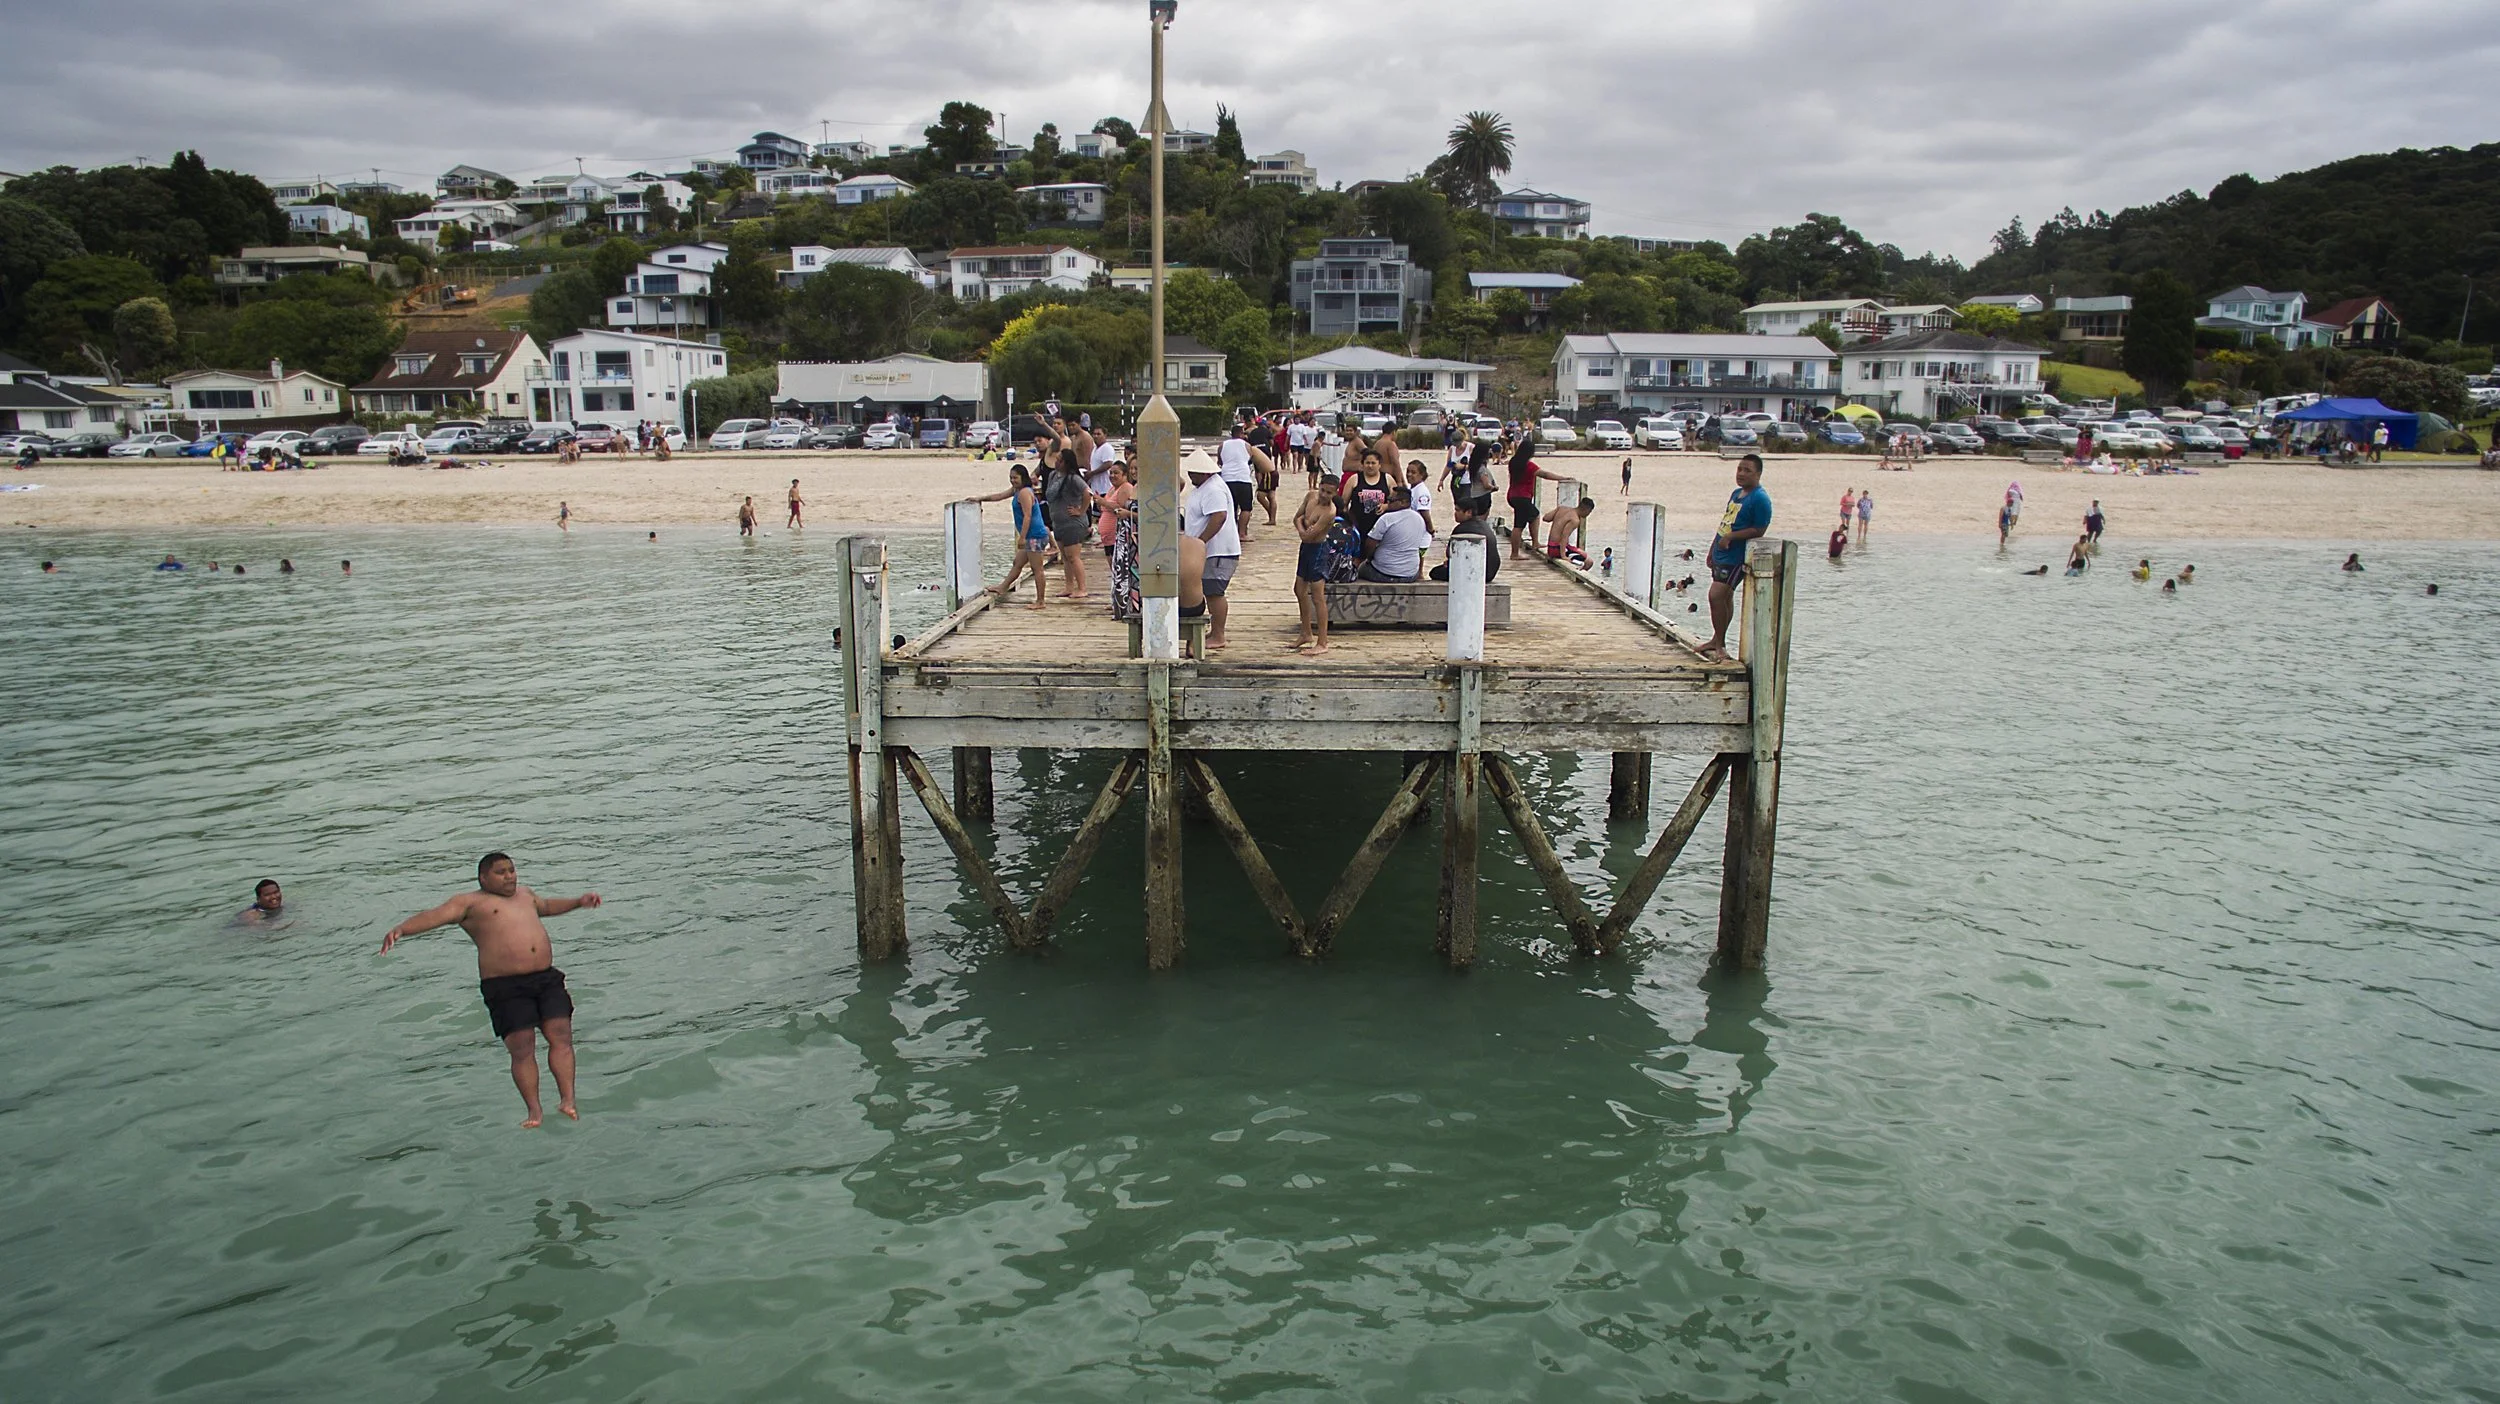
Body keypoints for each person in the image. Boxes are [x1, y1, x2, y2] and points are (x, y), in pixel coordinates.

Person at [380, 852, 603, 1129]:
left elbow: (546, 906)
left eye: (511, 870)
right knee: (522, 1047)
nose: (509, 876)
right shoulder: (470, 903)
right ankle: (535, 1110)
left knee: (561, 1035)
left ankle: (567, 1099)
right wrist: (402, 929)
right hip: (505, 985)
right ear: (483, 877)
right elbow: (435, 917)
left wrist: (578, 902)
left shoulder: (525, 895)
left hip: (545, 978)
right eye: (501, 872)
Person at [1699, 454, 1772, 662]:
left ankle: (1720, 643)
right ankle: (1717, 638)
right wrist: (1714, 547)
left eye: (1747, 470)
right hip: (1721, 552)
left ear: (1758, 474)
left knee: (1716, 595)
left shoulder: (1760, 498)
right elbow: (1726, 522)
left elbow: (1759, 529)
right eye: (1739, 469)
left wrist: (1732, 537)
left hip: (1736, 556)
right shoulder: (1736, 494)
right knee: (1725, 597)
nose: (1741, 474)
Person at [1182, 450, 1240, 649]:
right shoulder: (1202, 488)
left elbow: (1219, 517)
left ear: (1205, 473)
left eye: (1194, 473)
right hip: (1207, 550)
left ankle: (1218, 635)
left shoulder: (1213, 489)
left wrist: (1200, 542)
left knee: (1215, 591)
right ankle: (1214, 631)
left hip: (1218, 550)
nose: (1190, 477)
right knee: (1208, 590)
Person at [977, 465, 1050, 610]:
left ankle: (1041, 601)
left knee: (1037, 569)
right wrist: (979, 499)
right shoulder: (1016, 491)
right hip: (1031, 535)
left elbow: (1028, 516)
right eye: (1011, 477)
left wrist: (1021, 538)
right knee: (1017, 563)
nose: (1013, 480)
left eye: (1015, 477)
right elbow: (998, 496)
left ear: (1023, 478)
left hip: (1034, 535)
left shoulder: (1024, 493)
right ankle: (1002, 587)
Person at [1291, 477, 1335, 654]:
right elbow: (1296, 518)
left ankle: (1322, 642)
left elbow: (1308, 535)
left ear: (1335, 493)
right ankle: (1306, 632)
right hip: (1306, 549)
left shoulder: (1330, 512)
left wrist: (1303, 524)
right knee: (1298, 589)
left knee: (1318, 596)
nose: (1324, 495)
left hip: (1318, 549)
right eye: (1322, 490)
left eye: (1329, 492)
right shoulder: (1310, 497)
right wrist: (1303, 524)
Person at [1360, 485, 1431, 582]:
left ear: (1403, 502)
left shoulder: (1387, 518)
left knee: (1361, 568)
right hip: (1410, 574)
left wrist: (1368, 558)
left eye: (1391, 500)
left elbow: (1370, 544)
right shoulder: (1419, 519)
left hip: (1383, 573)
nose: (1387, 503)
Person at [1428, 495, 1502, 585]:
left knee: (1434, 572)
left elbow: (1449, 553)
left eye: (1458, 510)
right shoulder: (1484, 524)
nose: (1455, 514)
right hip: (1491, 572)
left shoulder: (1461, 529)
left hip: (1476, 573)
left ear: (1468, 512)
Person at [1216, 424, 1263, 544]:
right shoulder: (1247, 446)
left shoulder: (1222, 446)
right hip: (1243, 479)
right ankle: (1242, 533)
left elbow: (1220, 462)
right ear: (1241, 434)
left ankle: (1228, 533)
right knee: (1246, 508)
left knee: (1230, 508)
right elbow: (1250, 459)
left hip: (1227, 479)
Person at [1504, 435, 1542, 560]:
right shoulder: (1529, 466)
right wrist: (1561, 478)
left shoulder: (1513, 462)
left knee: (1532, 516)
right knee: (1520, 525)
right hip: (1523, 497)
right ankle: (1515, 553)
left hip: (1513, 495)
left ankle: (1535, 543)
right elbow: (1544, 474)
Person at [1545, 495, 1595, 565]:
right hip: (1557, 549)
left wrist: (1559, 519)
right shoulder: (1575, 520)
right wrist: (1563, 556)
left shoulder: (1561, 509)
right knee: (1589, 562)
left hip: (1550, 547)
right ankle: (1576, 575)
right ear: (1586, 509)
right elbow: (1564, 536)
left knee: (1582, 552)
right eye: (1589, 512)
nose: (1588, 514)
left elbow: (1546, 518)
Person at [1404, 464, 1436, 537]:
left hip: (1419, 532)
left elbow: (1425, 514)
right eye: (1408, 471)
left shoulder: (1422, 492)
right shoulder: (1411, 488)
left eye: (1413, 472)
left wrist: (1431, 530)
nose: (1409, 474)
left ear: (1422, 475)